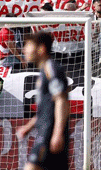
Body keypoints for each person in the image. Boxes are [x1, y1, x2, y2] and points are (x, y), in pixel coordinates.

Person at [16, 31, 70, 170]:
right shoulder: (44, 70)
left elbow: (61, 100)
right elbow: (46, 108)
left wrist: (57, 133)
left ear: (41, 49)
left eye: (28, 45)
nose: (24, 50)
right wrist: (28, 127)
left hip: (49, 133)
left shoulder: (51, 68)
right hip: (45, 132)